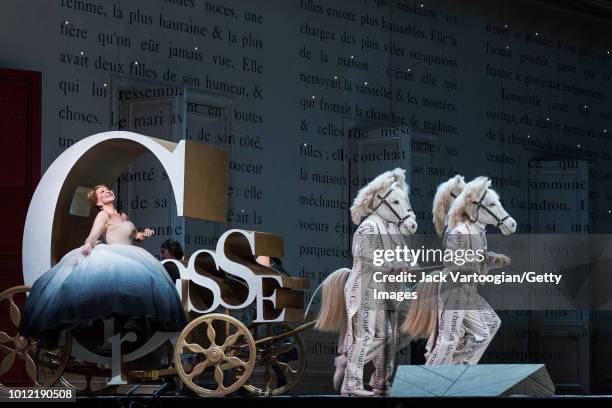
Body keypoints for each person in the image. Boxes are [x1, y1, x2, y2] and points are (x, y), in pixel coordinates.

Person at [19, 184, 187, 345]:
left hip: (133, 257)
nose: (107, 192)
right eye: (101, 192)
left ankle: (140, 326)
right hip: (116, 256)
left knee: (146, 284)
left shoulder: (123, 216)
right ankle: (124, 326)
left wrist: (144, 234)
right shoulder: (103, 215)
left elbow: (134, 236)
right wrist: (89, 243)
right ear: (98, 203)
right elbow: (93, 235)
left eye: (107, 189)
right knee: (130, 286)